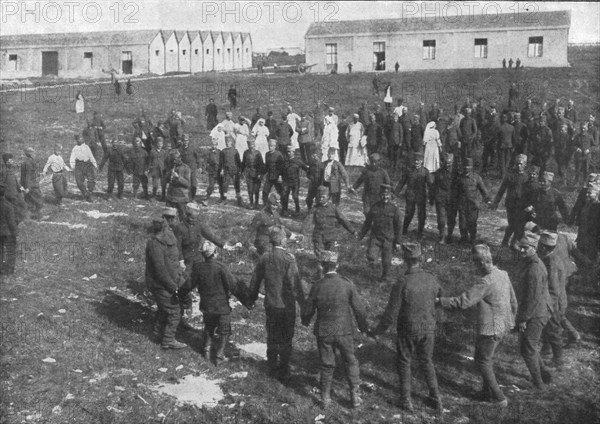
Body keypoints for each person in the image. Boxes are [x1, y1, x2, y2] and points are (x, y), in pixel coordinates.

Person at [437, 244, 517, 407]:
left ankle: (499, 398)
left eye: (474, 262)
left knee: (482, 361)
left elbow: (462, 302)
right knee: (485, 358)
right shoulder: (503, 274)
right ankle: (486, 391)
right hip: (503, 324)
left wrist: (440, 301)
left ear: (481, 262)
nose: (474, 266)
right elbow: (513, 300)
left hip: (490, 328)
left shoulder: (486, 282)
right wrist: (512, 319)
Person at [372, 243, 443, 413]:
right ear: (421, 258)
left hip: (408, 329)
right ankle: (436, 397)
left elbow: (390, 314)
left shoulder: (402, 282)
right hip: (428, 328)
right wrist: (435, 322)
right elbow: (440, 302)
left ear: (405, 259)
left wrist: (377, 331)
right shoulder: (432, 278)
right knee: (427, 361)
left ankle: (406, 400)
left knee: (404, 362)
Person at [302, 250, 369, 408]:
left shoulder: (317, 286)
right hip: (344, 330)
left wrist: (305, 320)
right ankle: (354, 396)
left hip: (324, 332)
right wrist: (363, 327)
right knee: (350, 360)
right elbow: (359, 309)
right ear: (337, 265)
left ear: (322, 266)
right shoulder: (347, 284)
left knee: (327, 364)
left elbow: (307, 310)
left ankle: (325, 399)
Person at [247, 227, 305, 381]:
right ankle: (284, 368)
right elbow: (296, 285)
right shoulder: (289, 259)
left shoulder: (264, 257)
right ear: (282, 240)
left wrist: (251, 299)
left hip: (271, 305)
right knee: (286, 337)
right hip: (287, 306)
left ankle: (272, 366)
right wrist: (304, 306)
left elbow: (255, 281)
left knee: (272, 335)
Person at [190, 241, 247, 364]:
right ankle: (219, 356)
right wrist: (247, 300)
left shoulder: (198, 268)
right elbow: (233, 286)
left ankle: (206, 350)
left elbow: (189, 284)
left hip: (206, 305)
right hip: (221, 306)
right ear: (215, 253)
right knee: (224, 330)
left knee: (209, 327)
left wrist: (179, 293)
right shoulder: (221, 267)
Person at [514, 232, 554, 389]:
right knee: (530, 345)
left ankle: (539, 384)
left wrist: (523, 319)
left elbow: (532, 298)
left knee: (527, 350)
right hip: (538, 310)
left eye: (525, 248)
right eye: (521, 248)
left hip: (536, 313)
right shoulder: (531, 263)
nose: (521, 251)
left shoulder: (534, 270)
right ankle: (544, 373)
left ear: (534, 248)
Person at [146, 211, 188, 350]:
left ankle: (157, 333)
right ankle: (168, 340)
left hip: (166, 280)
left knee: (165, 309)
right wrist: (172, 286)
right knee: (174, 311)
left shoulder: (160, 241)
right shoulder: (155, 245)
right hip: (160, 284)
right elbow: (161, 270)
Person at [303, 186, 357, 277]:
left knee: (331, 258)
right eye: (319, 197)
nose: (321, 199)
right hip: (318, 237)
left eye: (323, 197)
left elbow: (343, 219)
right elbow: (307, 222)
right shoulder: (315, 209)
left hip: (331, 237)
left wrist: (353, 231)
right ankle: (320, 278)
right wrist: (302, 234)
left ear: (328, 197)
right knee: (320, 258)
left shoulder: (333, 208)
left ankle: (330, 277)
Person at [358, 184, 402, 282]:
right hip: (376, 237)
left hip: (388, 239)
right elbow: (367, 222)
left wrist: (398, 242)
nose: (385, 197)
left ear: (390, 195)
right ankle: (372, 270)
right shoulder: (374, 207)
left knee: (386, 261)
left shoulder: (394, 210)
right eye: (383, 195)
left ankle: (385, 277)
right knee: (371, 256)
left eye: (387, 195)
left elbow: (399, 227)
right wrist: (361, 235)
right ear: (380, 195)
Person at [537, 232, 565, 368]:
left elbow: (553, 289)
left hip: (554, 303)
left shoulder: (551, 262)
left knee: (553, 329)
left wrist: (548, 307)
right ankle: (546, 350)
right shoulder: (550, 258)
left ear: (543, 247)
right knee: (548, 328)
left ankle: (558, 360)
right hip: (554, 301)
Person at [491, 154, 529, 247]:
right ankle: (505, 241)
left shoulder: (527, 177)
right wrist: (496, 202)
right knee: (512, 224)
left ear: (525, 164)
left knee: (520, 225)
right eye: (517, 164)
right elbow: (501, 190)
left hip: (522, 205)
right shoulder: (510, 175)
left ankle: (514, 242)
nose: (519, 166)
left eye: (521, 164)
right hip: (511, 204)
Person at [456, 158, 492, 244]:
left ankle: (473, 238)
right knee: (462, 224)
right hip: (462, 204)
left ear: (471, 167)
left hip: (473, 205)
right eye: (465, 166)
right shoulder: (459, 178)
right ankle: (464, 238)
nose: (466, 168)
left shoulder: (477, 178)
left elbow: (483, 190)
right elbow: (455, 191)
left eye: (468, 166)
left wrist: (488, 200)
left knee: (472, 223)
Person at [394, 152, 430, 239]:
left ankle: (420, 232)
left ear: (422, 161)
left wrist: (432, 196)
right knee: (409, 213)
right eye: (415, 161)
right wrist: (395, 193)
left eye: (418, 161)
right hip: (410, 195)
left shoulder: (425, 172)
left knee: (421, 215)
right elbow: (401, 182)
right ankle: (404, 230)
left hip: (421, 196)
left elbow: (430, 185)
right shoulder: (408, 170)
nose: (416, 162)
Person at [430, 153, 458, 244]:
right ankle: (442, 236)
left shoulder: (456, 173)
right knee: (441, 219)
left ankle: (449, 235)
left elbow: (460, 187)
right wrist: (431, 198)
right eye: (445, 163)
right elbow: (434, 186)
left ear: (452, 163)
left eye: (449, 164)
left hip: (452, 199)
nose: (447, 166)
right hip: (440, 199)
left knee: (451, 219)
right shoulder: (438, 172)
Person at [69, 134, 97, 202]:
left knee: (91, 179)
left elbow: (91, 156)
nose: (80, 140)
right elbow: (72, 158)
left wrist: (95, 165)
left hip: (87, 164)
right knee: (79, 182)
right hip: (79, 165)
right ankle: (85, 194)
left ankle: (89, 192)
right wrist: (72, 167)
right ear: (76, 140)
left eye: (81, 139)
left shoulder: (86, 147)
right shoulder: (75, 148)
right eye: (79, 139)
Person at [165, 150, 191, 220]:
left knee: (182, 217)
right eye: (172, 160)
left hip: (181, 197)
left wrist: (178, 177)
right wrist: (169, 174)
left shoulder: (186, 168)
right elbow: (166, 180)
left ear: (180, 158)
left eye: (175, 160)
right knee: (168, 216)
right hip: (171, 196)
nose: (173, 162)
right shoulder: (170, 167)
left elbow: (187, 184)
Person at [0, 182, 18, 281]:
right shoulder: (8, 205)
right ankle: (9, 270)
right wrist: (15, 233)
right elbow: (11, 222)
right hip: (7, 233)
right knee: (10, 251)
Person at [281, 145, 306, 215]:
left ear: (293, 152)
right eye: (287, 152)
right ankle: (284, 210)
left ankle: (297, 210)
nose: (288, 153)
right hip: (286, 181)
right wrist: (280, 176)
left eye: (290, 152)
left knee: (295, 196)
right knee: (284, 195)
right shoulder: (285, 161)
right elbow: (281, 170)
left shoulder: (298, 161)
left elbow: (305, 168)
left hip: (295, 182)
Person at [219, 136, 243, 206]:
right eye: (226, 142)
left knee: (236, 184)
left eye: (229, 142)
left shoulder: (235, 151)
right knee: (225, 185)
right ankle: (224, 199)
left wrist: (240, 170)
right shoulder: (223, 151)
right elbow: (221, 162)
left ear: (231, 143)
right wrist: (222, 169)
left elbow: (238, 161)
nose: (227, 143)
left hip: (234, 170)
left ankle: (239, 200)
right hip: (227, 171)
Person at [20, 147, 43, 219]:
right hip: (31, 185)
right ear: (29, 154)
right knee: (38, 199)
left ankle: (30, 217)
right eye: (32, 152)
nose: (34, 153)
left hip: (30, 184)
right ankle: (37, 216)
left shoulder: (27, 161)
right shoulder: (28, 162)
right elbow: (27, 176)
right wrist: (28, 188)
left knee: (29, 201)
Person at [241, 138, 264, 209]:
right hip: (249, 173)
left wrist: (260, 173)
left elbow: (261, 164)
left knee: (256, 190)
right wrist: (242, 172)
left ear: (254, 145)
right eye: (250, 145)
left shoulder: (258, 153)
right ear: (248, 145)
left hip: (257, 173)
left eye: (253, 145)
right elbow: (243, 163)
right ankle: (251, 203)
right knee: (250, 190)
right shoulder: (246, 153)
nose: (251, 146)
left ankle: (256, 204)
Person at [179, 134, 202, 201]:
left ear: (188, 141)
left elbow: (198, 158)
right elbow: (178, 159)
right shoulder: (180, 149)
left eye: (186, 140)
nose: (185, 142)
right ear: (182, 141)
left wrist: (199, 166)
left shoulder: (193, 148)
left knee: (193, 184)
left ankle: (193, 197)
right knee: (185, 184)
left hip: (192, 169)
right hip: (184, 170)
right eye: (184, 141)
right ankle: (185, 197)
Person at [262, 140, 284, 205]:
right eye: (269, 146)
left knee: (281, 191)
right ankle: (265, 205)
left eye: (271, 146)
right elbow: (266, 166)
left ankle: (283, 207)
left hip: (277, 175)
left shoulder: (278, 154)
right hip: (269, 175)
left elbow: (282, 166)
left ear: (275, 147)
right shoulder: (267, 154)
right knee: (265, 191)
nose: (270, 147)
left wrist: (280, 176)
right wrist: (262, 174)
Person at [203, 137, 222, 205]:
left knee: (221, 185)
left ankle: (222, 199)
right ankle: (207, 198)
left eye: (215, 144)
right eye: (213, 144)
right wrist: (206, 169)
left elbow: (222, 161)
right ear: (211, 145)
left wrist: (222, 169)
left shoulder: (220, 152)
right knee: (211, 186)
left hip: (219, 171)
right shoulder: (208, 152)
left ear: (217, 145)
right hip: (212, 171)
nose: (214, 146)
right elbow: (205, 162)